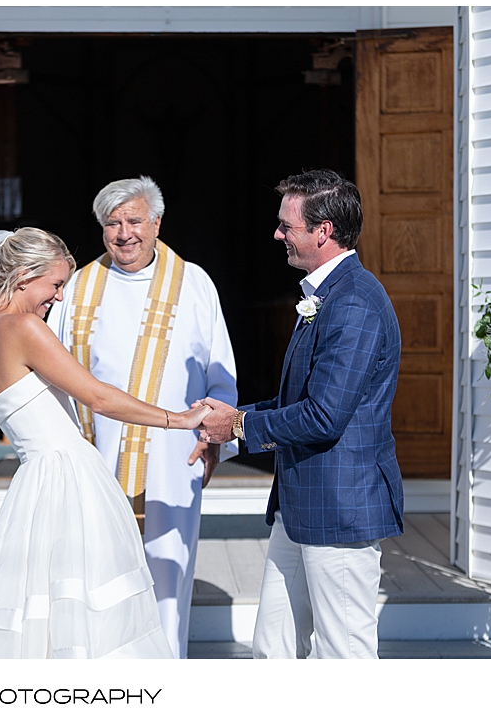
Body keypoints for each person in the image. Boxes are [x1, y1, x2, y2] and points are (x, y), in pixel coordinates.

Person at [0, 228, 210, 659]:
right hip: (67, 481)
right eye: (55, 284)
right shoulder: (23, 327)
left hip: (37, 483)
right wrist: (179, 419)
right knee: (90, 606)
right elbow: (97, 396)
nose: (58, 297)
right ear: (23, 276)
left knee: (40, 606)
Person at [199, 169, 403, 659]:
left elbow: (323, 417)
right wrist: (225, 428)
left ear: (323, 231)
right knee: (273, 647)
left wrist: (241, 426)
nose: (277, 234)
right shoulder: (326, 296)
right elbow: (297, 402)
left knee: (344, 655)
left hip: (340, 507)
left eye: (286, 226)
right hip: (300, 506)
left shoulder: (354, 302)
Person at [47, 176, 237, 658]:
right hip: (94, 456)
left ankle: (166, 672)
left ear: (157, 223)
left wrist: (215, 439)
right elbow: (52, 372)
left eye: (134, 220)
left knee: (168, 569)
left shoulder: (194, 283)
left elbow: (220, 371)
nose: (123, 233)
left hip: (173, 460)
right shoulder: (78, 288)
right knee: (98, 574)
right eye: (112, 223)